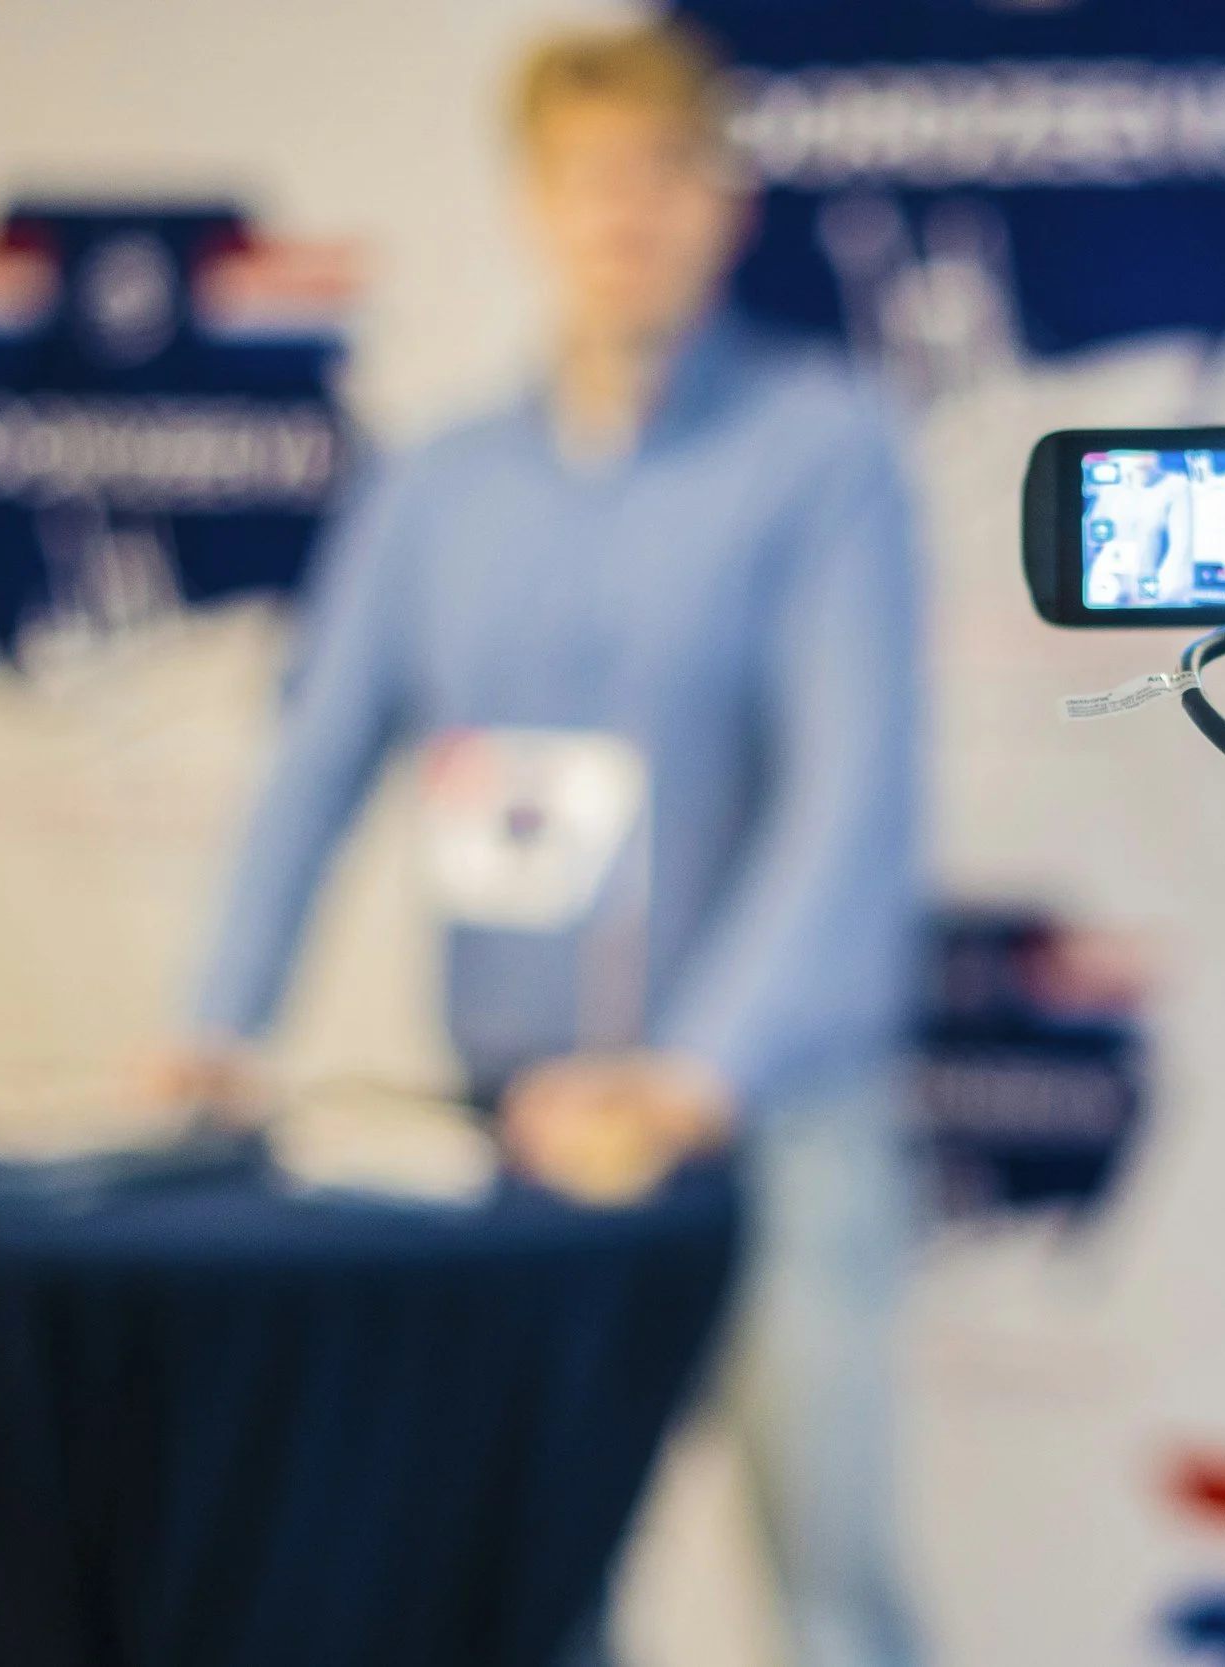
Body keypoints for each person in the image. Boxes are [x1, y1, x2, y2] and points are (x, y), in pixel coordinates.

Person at [157, 21, 922, 1667]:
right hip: (518, 1127)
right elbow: (312, 763)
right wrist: (216, 1023)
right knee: (518, 1601)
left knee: (834, 1604)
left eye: (663, 172)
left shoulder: (823, 455)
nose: (624, 214)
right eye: (589, 178)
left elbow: (851, 803)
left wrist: (692, 1078)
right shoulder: (436, 485)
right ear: (531, 203)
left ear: (725, 202)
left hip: (767, 1123)